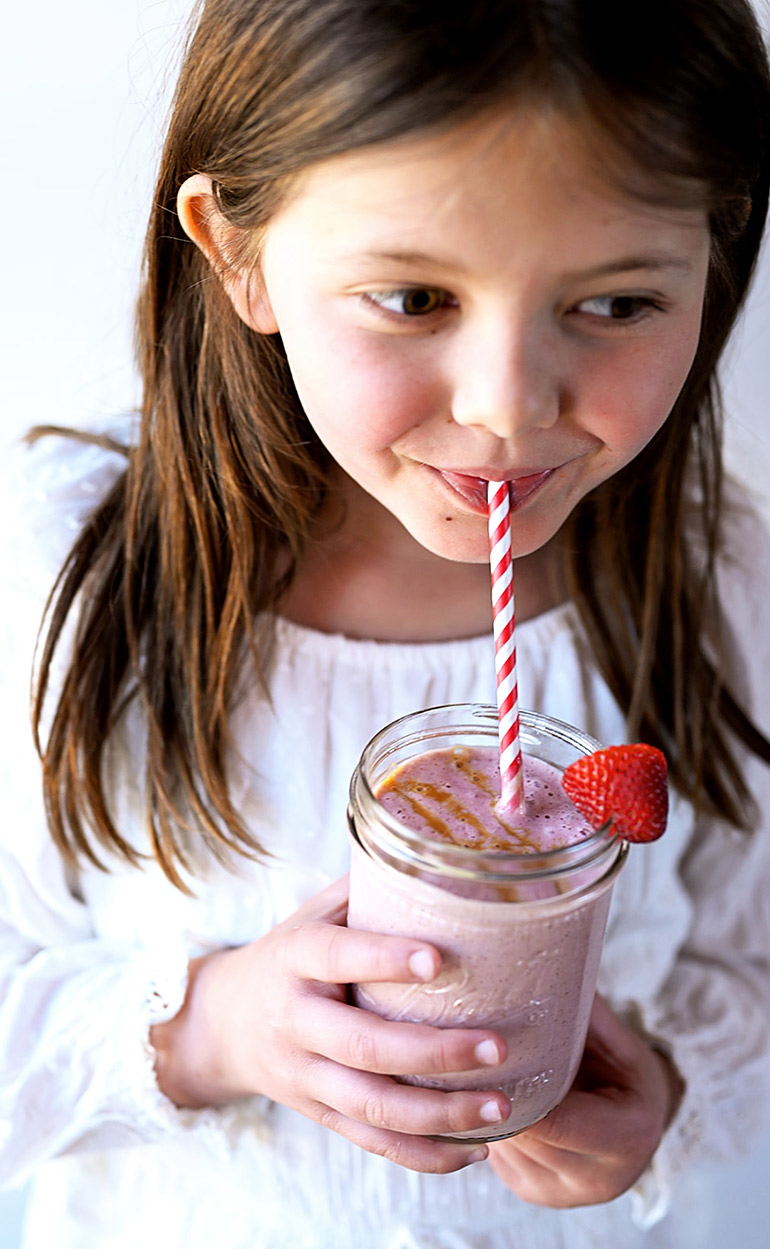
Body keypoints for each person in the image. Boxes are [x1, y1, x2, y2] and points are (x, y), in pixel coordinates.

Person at [1, 0, 770, 1246]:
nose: (510, 407)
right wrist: (209, 1030)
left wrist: (661, 1102)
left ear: (715, 241)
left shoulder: (716, 582)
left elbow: (750, 976)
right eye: (413, 295)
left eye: (618, 303)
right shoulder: (71, 569)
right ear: (239, 252)